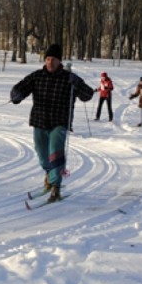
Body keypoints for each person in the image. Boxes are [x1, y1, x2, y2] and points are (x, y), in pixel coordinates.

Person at [10, 44, 93, 203]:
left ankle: (56, 187)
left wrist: (76, 83)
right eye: (47, 59)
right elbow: (21, 88)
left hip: (59, 122)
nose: (50, 62)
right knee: (43, 156)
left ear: (59, 61)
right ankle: (49, 176)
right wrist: (16, 94)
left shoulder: (68, 78)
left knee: (55, 153)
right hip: (39, 121)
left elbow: (87, 95)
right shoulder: (37, 76)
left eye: (53, 59)